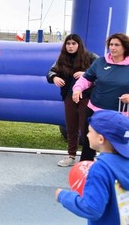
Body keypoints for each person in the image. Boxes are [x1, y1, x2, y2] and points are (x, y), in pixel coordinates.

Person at [55, 110, 129, 224]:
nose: (87, 135)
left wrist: (63, 196)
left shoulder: (100, 169)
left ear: (100, 139)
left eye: (89, 131)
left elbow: (92, 209)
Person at [73, 33, 129, 161]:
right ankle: (85, 169)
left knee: (117, 145)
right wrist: (77, 89)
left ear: (125, 47)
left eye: (116, 45)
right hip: (95, 111)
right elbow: (86, 79)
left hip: (120, 115)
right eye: (111, 44)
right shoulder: (100, 62)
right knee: (89, 142)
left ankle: (116, 172)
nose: (112, 48)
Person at [47, 34, 98, 167]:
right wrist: (54, 78)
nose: (70, 46)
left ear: (79, 45)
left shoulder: (91, 57)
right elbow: (50, 72)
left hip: (86, 97)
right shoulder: (62, 59)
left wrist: (86, 74)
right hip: (69, 97)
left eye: (73, 43)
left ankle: (88, 158)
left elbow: (101, 75)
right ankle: (71, 155)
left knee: (86, 128)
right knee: (71, 127)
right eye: (68, 43)